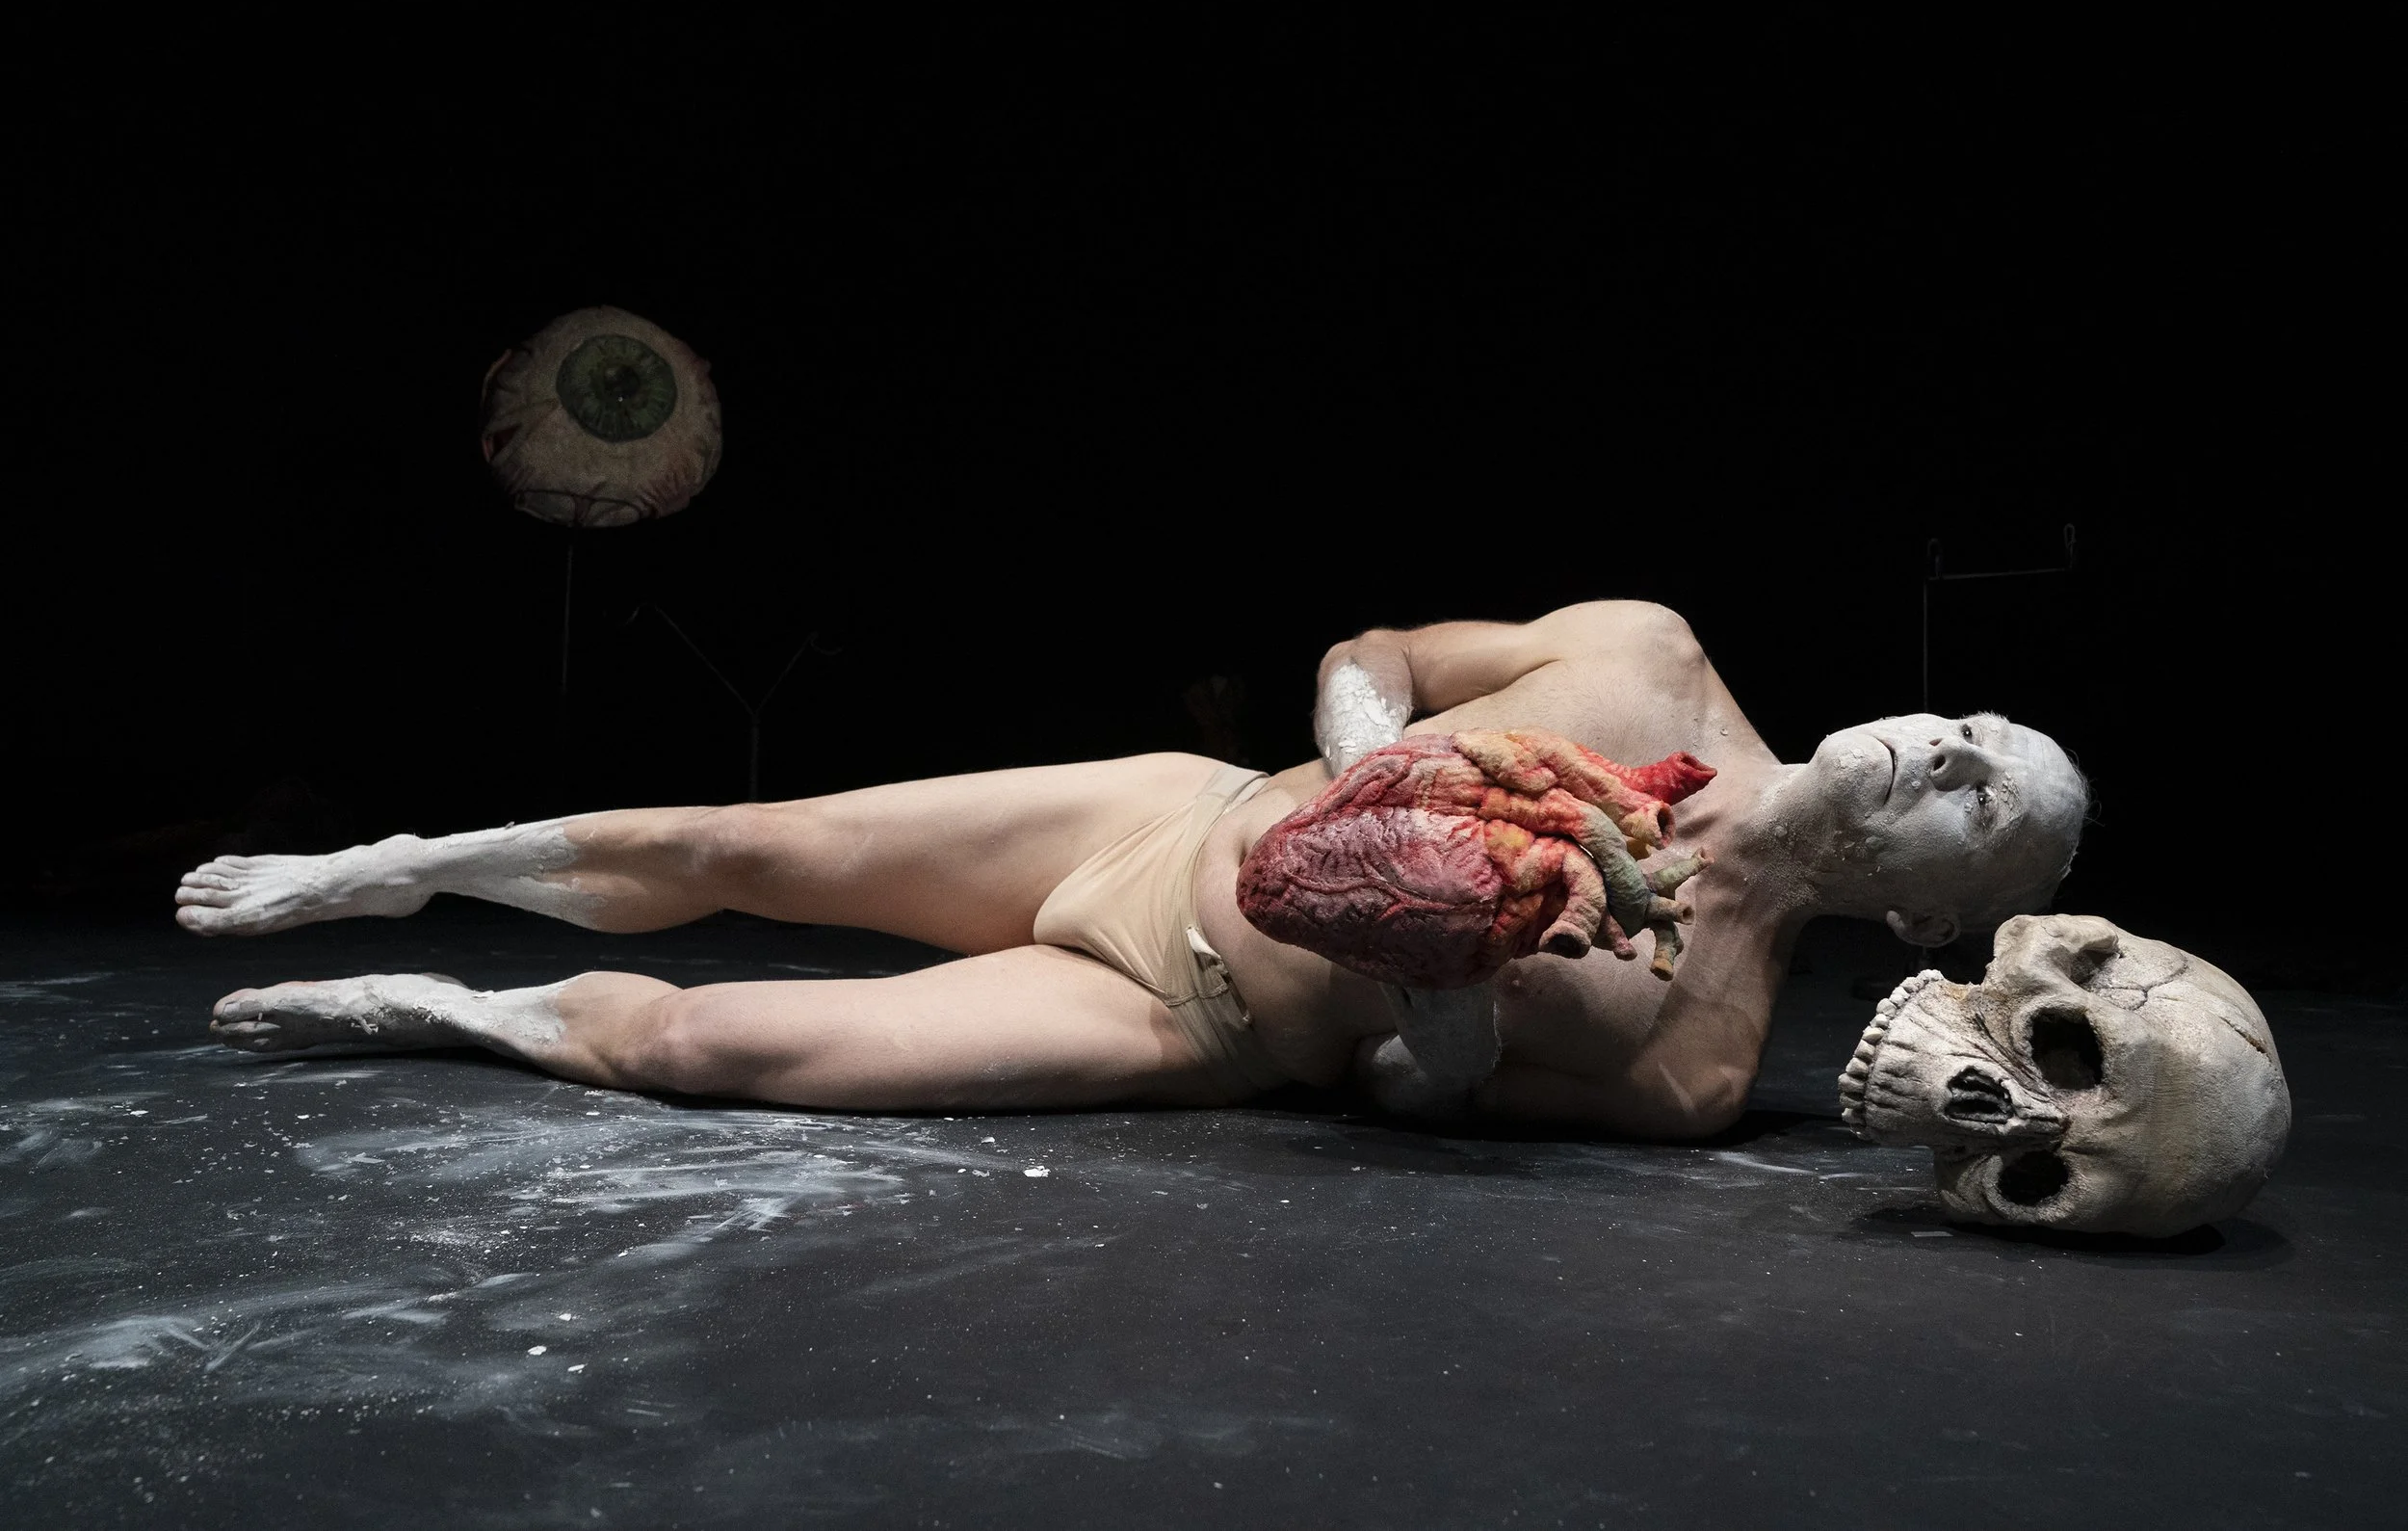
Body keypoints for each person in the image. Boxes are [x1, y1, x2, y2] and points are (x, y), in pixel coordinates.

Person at [180, 601, 2087, 1137]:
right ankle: (391, 864)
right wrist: (1372, 770)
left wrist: (1436, 1014)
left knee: (710, 1045)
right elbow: (1386, 651)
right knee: (734, 838)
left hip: (1182, 1008)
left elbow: (1396, 1095)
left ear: (1928, 905)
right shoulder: (1648, 654)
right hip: (1166, 815)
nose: (1948, 752)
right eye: (1974, 725)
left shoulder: (1695, 1053)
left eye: (1980, 797)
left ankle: (449, 1006)